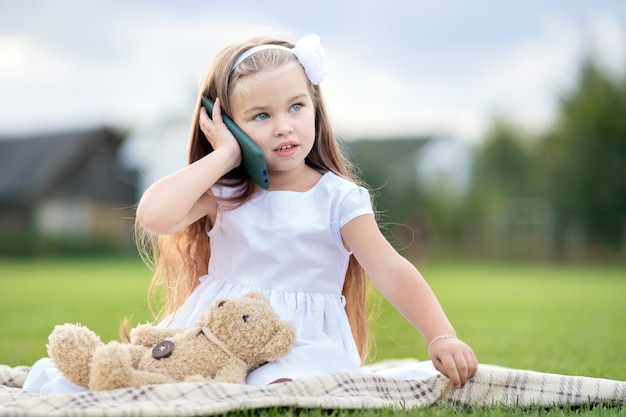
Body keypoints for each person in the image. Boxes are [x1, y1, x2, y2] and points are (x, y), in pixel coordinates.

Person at [23, 33, 476, 394]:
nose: (283, 125)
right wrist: (223, 156)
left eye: (296, 107)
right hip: (217, 333)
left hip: (299, 342)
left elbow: (391, 269)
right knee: (165, 375)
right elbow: (155, 217)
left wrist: (442, 336)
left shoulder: (338, 198)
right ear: (231, 126)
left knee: (275, 386)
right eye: (260, 116)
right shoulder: (227, 192)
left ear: (315, 108)